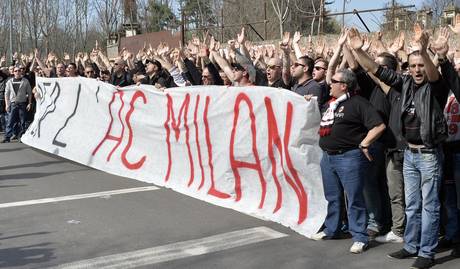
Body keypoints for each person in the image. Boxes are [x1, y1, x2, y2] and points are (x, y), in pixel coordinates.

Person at [350, 26, 448, 269]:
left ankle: (427, 252)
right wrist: (358, 50)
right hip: (409, 154)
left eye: (421, 65)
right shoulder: (404, 85)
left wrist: (424, 50)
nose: (417, 69)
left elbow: (434, 74)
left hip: (428, 156)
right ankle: (411, 245)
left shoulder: (435, 88)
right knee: (412, 205)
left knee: (429, 205)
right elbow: (376, 70)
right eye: (412, 65)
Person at [311, 68, 386, 254]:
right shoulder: (331, 104)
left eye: (334, 81)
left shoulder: (359, 103)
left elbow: (379, 126)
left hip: (349, 157)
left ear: (343, 86)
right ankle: (332, 229)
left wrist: (364, 143)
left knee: (354, 199)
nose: (330, 83)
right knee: (333, 197)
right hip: (328, 157)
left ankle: (360, 237)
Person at [2, 66, 32, 143]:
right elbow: (6, 94)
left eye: (19, 70)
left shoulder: (25, 81)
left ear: (21, 71)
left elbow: (29, 92)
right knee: (10, 121)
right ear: (13, 72)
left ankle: (22, 137)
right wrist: (7, 104)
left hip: (22, 103)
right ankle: (7, 137)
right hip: (13, 104)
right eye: (15, 71)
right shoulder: (9, 81)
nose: (17, 72)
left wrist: (29, 103)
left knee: (22, 121)